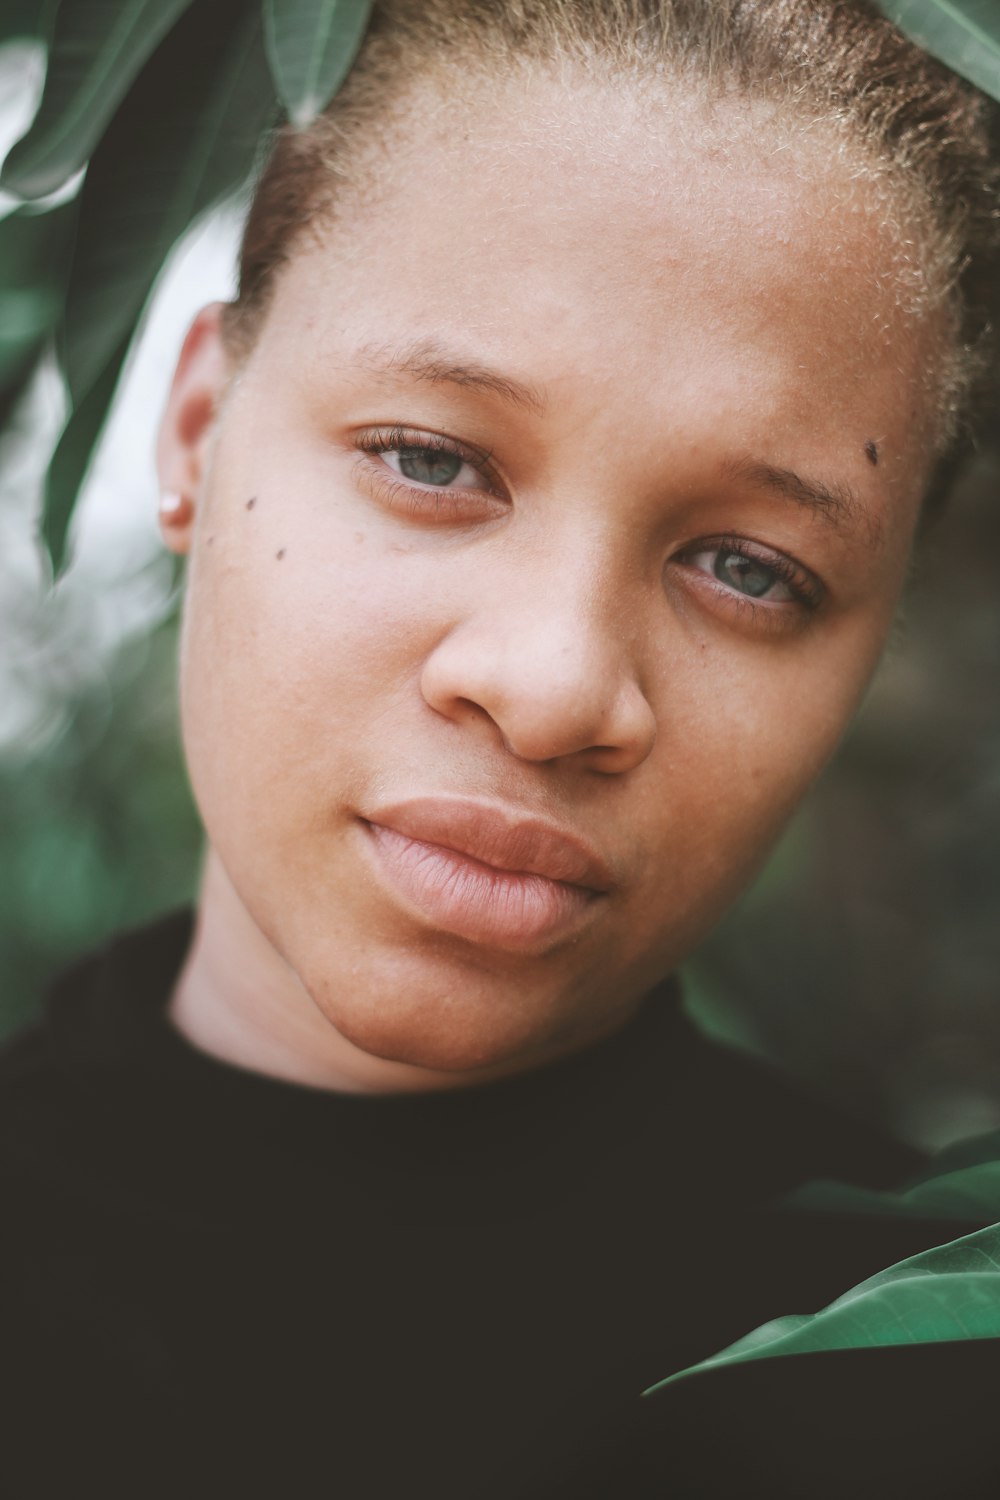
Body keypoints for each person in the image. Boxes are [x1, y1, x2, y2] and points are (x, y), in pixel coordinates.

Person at [2, 1, 998, 1494]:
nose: (551, 689)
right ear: (198, 429)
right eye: (431, 460)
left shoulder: (940, 1408)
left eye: (752, 567)